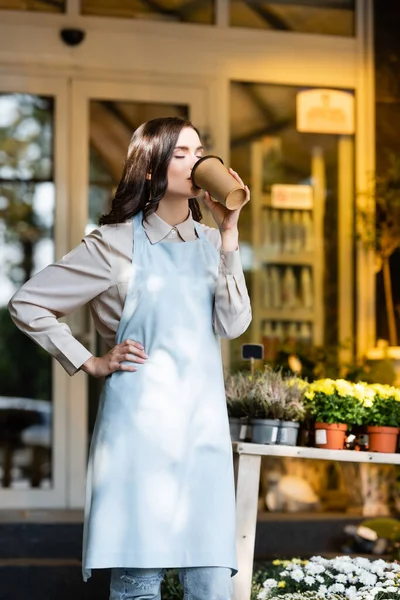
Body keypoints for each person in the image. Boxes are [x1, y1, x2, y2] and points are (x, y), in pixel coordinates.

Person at [8, 117, 252, 600]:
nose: (196, 162)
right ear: (150, 169)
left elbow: (233, 324)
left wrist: (229, 234)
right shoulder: (115, 243)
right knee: (139, 582)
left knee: (209, 583)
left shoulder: (211, 245)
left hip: (201, 429)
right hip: (138, 432)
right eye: (180, 153)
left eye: (199, 152)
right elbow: (27, 302)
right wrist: (88, 361)